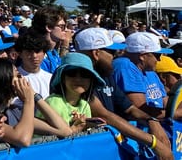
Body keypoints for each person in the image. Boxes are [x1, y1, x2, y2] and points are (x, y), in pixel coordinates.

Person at [73, 27, 173, 160]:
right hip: (86, 151)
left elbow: (130, 108)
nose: (116, 55)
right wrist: (154, 143)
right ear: (96, 53)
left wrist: (152, 121)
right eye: (111, 51)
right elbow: (104, 114)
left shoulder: (105, 73)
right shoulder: (75, 76)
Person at [0, 58, 71, 147]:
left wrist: (34, 96)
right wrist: (28, 101)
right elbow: (23, 140)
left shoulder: (13, 111)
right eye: (18, 76)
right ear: (2, 81)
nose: (23, 80)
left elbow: (64, 130)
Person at [44, 53, 105, 134]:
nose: (78, 79)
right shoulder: (53, 102)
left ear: (91, 80)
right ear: (62, 78)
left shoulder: (85, 105)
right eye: (71, 73)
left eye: (85, 74)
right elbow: (52, 141)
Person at [112, 31, 170, 117]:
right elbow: (140, 110)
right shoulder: (124, 66)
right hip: (140, 127)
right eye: (157, 55)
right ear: (142, 56)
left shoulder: (149, 71)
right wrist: (174, 114)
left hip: (160, 123)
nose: (159, 60)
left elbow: (166, 102)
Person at [15, 31, 53, 99]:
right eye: (29, 51)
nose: (34, 56)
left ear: (44, 53)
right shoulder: (13, 78)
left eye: (38, 51)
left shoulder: (51, 79)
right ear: (20, 54)